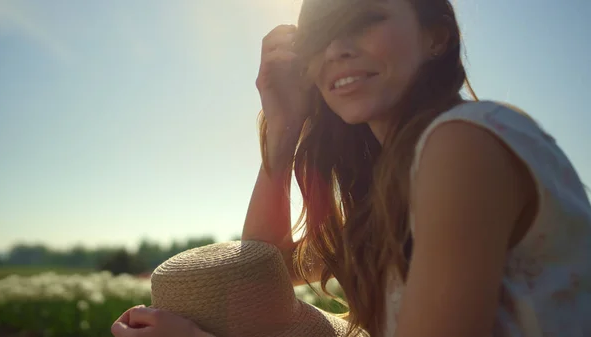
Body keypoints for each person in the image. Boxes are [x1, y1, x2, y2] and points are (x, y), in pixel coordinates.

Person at [112, 0, 591, 336]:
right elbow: (262, 275)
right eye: (320, 36)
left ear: (435, 36)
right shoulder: (390, 181)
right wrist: (283, 130)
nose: (337, 48)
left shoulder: (462, 143)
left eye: (365, 18)